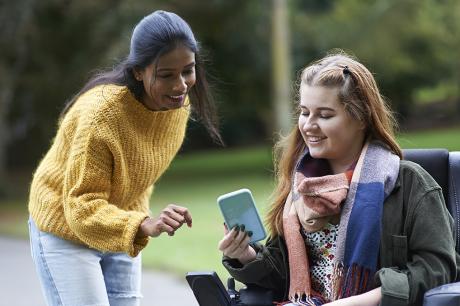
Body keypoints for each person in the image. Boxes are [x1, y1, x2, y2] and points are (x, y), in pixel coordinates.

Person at [218, 52, 458, 305]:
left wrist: (357, 301)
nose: (308, 125)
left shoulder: (411, 184)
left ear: (361, 118)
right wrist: (245, 254)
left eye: (324, 115)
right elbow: (284, 280)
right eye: (304, 112)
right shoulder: (301, 184)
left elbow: (438, 269)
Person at [28, 10, 221, 306]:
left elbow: (140, 174)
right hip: (64, 225)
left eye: (188, 70)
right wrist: (143, 225)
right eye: (166, 75)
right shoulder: (102, 116)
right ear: (138, 72)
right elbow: (80, 204)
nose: (181, 85)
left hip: (119, 223)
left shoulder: (177, 110)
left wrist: (140, 221)